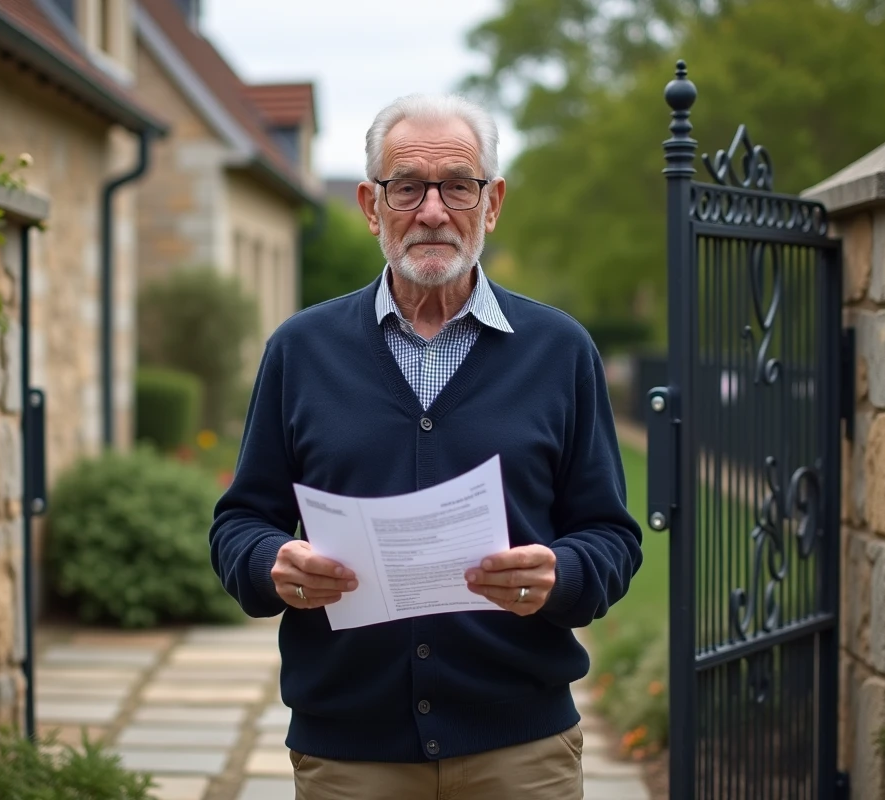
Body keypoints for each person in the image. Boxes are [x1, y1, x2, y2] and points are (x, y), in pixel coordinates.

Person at [209, 92, 643, 800]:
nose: (433, 211)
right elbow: (238, 524)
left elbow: (612, 538)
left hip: (521, 749)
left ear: (493, 202)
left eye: (458, 186)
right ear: (370, 205)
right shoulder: (300, 350)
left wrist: (560, 574)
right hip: (349, 752)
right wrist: (269, 563)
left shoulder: (559, 351)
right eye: (407, 186)